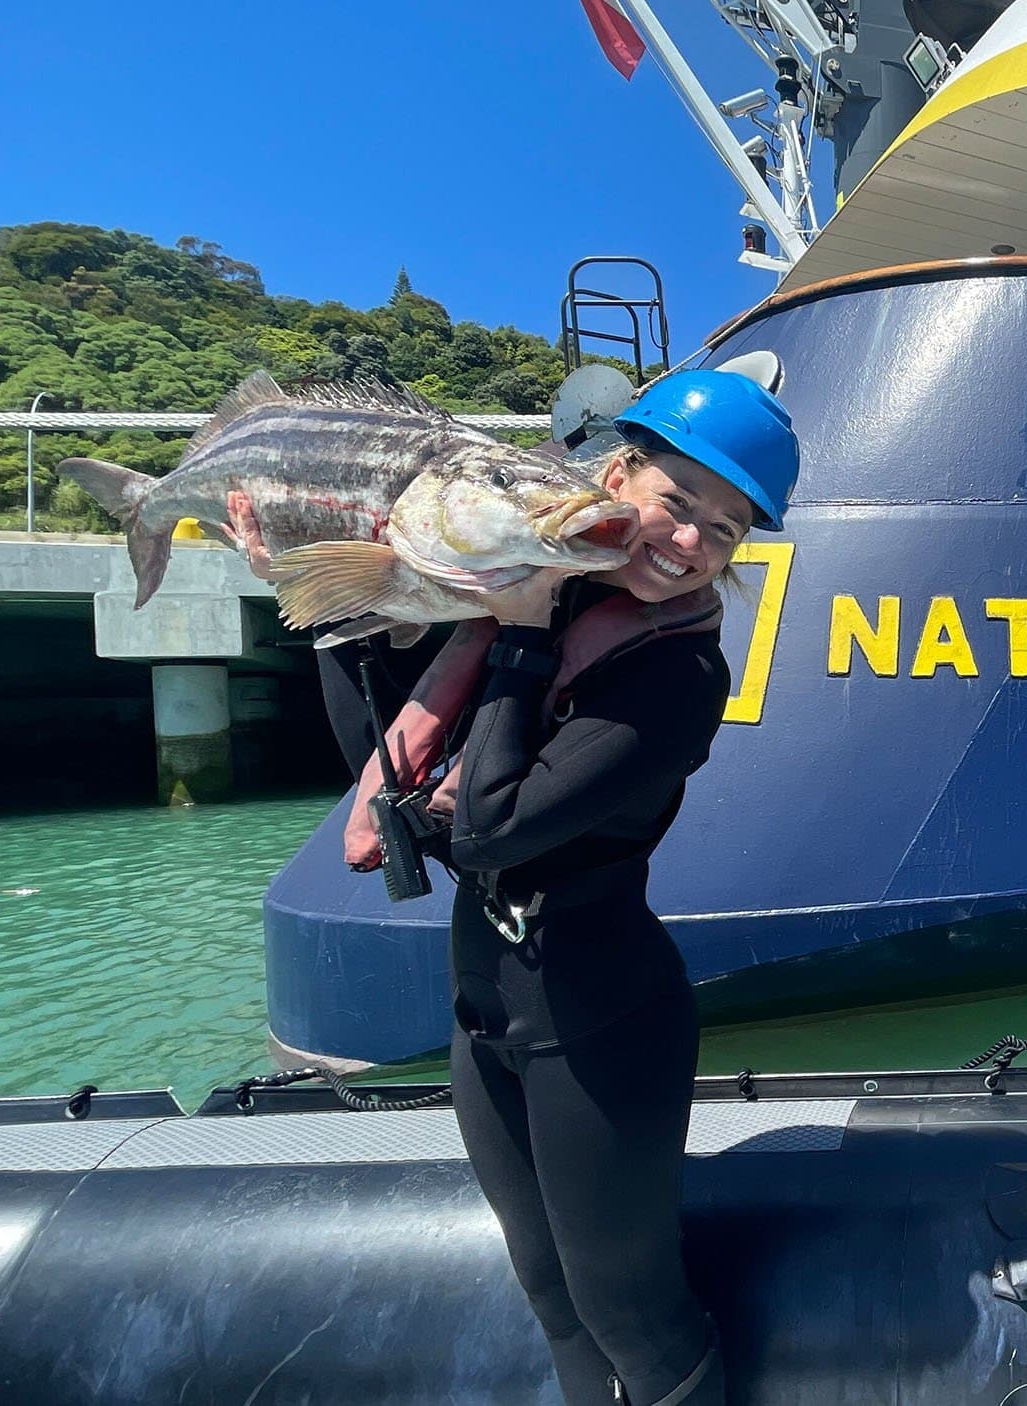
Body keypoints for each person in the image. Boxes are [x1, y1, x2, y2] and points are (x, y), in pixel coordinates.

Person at [241, 369, 798, 1406]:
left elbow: (492, 827)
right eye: (676, 503)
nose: (688, 545)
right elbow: (385, 772)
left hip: (599, 1018)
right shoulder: (521, 591)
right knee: (548, 1290)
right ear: (617, 472)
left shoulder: (675, 676)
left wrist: (530, 626)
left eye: (725, 532)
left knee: (629, 1305)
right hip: (486, 1002)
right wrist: (326, 598)